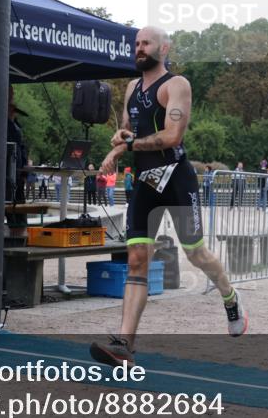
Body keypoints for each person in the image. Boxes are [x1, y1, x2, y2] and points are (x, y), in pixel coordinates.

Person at [92, 26, 246, 366]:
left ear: (164, 48)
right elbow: (129, 131)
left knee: (196, 254)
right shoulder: (131, 88)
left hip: (176, 179)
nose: (139, 48)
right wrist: (118, 145)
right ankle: (124, 346)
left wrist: (129, 143)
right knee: (136, 259)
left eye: (145, 43)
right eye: (136, 43)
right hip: (145, 182)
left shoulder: (177, 85)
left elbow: (172, 135)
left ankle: (230, 296)